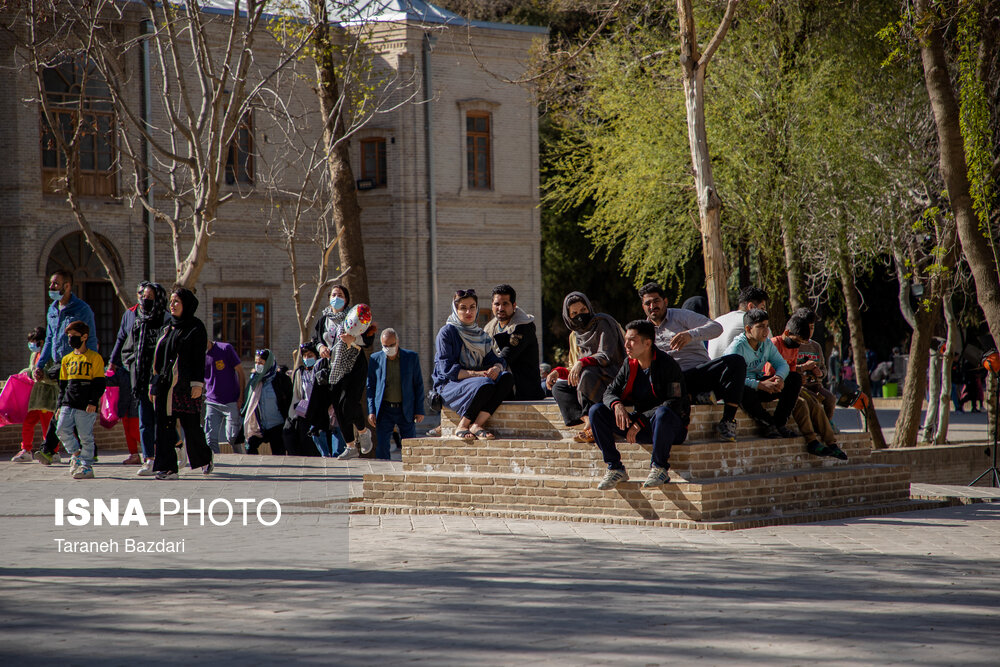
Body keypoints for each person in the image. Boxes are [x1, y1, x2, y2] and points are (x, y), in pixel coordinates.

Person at [589, 320, 690, 490]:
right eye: (626, 339)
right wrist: (617, 405)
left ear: (647, 343)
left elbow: (675, 402)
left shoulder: (668, 365)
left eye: (632, 340)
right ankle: (615, 467)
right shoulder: (629, 364)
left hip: (669, 428)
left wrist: (641, 421)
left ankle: (659, 468)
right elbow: (609, 392)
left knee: (663, 412)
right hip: (639, 425)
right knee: (596, 411)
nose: (626, 345)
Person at [639, 282, 745, 442]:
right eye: (648, 303)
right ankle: (694, 397)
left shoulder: (681, 316)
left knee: (737, 362)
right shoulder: (642, 330)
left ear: (665, 301)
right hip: (673, 382)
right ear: (643, 306)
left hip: (699, 372)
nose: (652, 306)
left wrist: (690, 335)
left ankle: (727, 420)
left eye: (656, 301)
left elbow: (716, 328)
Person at [32, 270, 98, 465]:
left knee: (63, 406)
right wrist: (40, 364)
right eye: (51, 284)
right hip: (61, 366)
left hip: (79, 365)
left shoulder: (81, 309)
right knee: (72, 407)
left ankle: (47, 449)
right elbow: (50, 339)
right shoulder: (52, 310)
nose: (51, 287)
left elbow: (91, 337)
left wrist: (91, 365)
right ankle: (90, 449)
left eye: (55, 284)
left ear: (67, 286)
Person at [149, 287, 214, 480]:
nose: (172, 305)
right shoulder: (168, 327)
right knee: (164, 426)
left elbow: (197, 359)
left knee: (191, 426)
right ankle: (167, 468)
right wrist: (153, 383)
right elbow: (158, 358)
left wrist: (197, 384)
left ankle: (204, 457)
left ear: (186, 304)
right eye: (171, 301)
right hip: (165, 385)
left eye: (177, 301)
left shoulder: (196, 327)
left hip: (185, 386)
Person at [433, 288, 514, 440]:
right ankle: (462, 426)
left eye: (472, 307)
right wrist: (479, 374)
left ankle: (477, 424)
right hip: (451, 384)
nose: (468, 312)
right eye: (463, 308)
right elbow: (448, 370)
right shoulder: (447, 333)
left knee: (506, 378)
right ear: (455, 309)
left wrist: (496, 367)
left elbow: (496, 359)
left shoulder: (480, 335)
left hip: (477, 382)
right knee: (486, 383)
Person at [546, 292, 625, 443]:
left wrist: (582, 363)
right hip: (587, 379)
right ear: (568, 316)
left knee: (587, 373)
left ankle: (595, 425)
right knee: (559, 388)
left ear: (589, 308)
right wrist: (557, 372)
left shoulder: (603, 323)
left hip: (612, 377)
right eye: (574, 313)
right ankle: (588, 420)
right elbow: (573, 369)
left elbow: (607, 355)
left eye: (583, 310)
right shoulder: (574, 336)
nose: (580, 315)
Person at [311, 284, 375, 460]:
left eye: (340, 294)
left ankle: (362, 431)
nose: (336, 297)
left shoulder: (354, 316)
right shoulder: (324, 319)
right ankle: (350, 446)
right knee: (338, 407)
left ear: (346, 299)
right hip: (333, 368)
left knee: (349, 403)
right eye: (333, 294)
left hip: (354, 365)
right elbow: (315, 339)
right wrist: (321, 347)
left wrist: (353, 339)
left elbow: (369, 339)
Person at [769, 325, 847, 460]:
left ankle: (831, 442)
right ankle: (812, 440)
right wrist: (802, 369)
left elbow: (797, 369)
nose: (799, 345)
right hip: (781, 385)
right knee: (803, 403)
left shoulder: (807, 346)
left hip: (799, 384)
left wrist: (817, 373)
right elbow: (772, 370)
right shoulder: (775, 343)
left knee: (819, 402)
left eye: (812, 327)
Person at [724, 309, 802, 438]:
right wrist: (759, 385)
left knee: (794, 379)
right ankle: (769, 424)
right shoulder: (737, 347)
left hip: (761, 385)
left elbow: (782, 364)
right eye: (760, 327)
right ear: (748, 329)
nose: (766, 331)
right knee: (743, 391)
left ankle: (780, 424)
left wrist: (778, 378)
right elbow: (731, 379)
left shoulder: (766, 343)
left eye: (767, 326)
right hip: (742, 389)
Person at [121, 282, 167, 476]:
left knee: (163, 421)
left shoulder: (166, 321)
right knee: (145, 422)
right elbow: (127, 350)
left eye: (150, 296)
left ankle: (169, 454)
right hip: (141, 380)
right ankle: (149, 459)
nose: (145, 299)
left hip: (160, 381)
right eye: (143, 296)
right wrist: (133, 366)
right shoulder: (138, 322)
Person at [55, 320, 105, 479]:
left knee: (86, 437)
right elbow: (63, 386)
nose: (71, 339)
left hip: (85, 405)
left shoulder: (94, 358)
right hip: (68, 402)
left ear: (84, 337)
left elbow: (99, 384)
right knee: (61, 429)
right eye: (69, 336)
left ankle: (86, 466)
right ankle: (76, 454)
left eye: (74, 336)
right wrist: (58, 406)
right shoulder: (66, 359)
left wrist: (93, 401)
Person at [367, 328, 425, 459]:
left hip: (405, 409)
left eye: (391, 345)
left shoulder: (411, 358)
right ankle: (384, 475)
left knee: (410, 445)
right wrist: (371, 410)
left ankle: (410, 473)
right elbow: (370, 386)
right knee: (382, 447)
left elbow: (418, 385)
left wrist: (419, 409)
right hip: (384, 409)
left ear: (397, 342)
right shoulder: (375, 359)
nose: (388, 348)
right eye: (385, 346)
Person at [483, 284, 544, 400]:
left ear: (514, 305)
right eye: (497, 304)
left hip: (524, 391)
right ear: (492, 305)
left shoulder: (523, 325)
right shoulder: (489, 328)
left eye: (505, 304)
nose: (500, 308)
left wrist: (497, 366)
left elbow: (509, 351)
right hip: (500, 384)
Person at [108, 283, 146, 465]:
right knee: (126, 414)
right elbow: (120, 338)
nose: (142, 297)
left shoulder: (158, 315)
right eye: (140, 293)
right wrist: (113, 362)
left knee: (139, 415)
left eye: (146, 294)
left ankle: (149, 451)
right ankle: (134, 453)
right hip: (126, 370)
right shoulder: (129, 314)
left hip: (144, 372)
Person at [11, 328, 59, 462]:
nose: (32, 345)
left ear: (42, 342)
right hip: (34, 398)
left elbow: (53, 375)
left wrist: (43, 375)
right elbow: (31, 370)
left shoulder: (51, 355)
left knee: (47, 426)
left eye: (35, 342)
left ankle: (51, 451)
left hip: (47, 397)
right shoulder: (34, 355)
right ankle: (26, 450)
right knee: (27, 423)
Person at [788, 309, 837, 419]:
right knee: (812, 401)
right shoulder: (793, 345)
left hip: (816, 385)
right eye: (807, 328)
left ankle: (828, 423)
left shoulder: (816, 346)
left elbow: (824, 369)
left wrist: (820, 373)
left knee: (830, 398)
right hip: (801, 386)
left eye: (812, 328)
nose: (809, 331)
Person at [242, 349, 291, 455]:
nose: (257, 365)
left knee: (279, 456)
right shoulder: (255, 380)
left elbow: (288, 401)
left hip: (277, 425)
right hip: (258, 427)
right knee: (250, 448)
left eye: (260, 363)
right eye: (256, 363)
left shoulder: (281, 380)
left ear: (268, 363)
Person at [204, 337, 246, 454]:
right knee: (210, 438)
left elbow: (241, 373)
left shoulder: (225, 348)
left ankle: (242, 463)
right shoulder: (197, 356)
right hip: (212, 402)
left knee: (233, 438)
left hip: (231, 401)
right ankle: (216, 464)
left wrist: (241, 397)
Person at [707, 285, 768, 359]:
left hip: (713, 369)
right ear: (751, 307)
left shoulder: (717, 321)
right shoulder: (757, 325)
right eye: (762, 308)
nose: (764, 313)